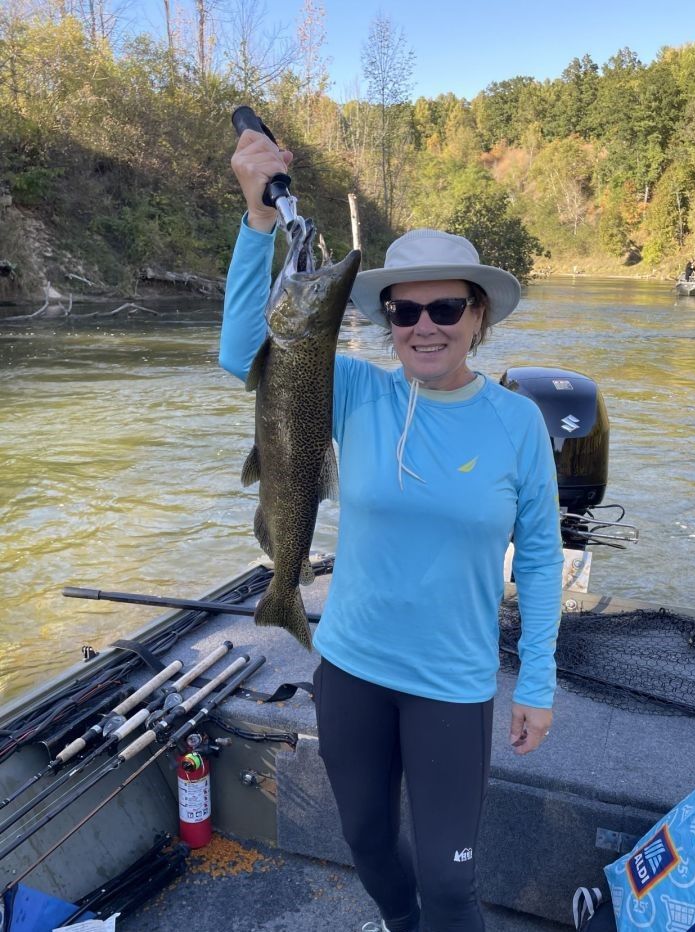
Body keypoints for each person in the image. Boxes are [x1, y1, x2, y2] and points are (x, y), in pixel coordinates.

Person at [220, 128, 564, 932]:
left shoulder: (517, 424)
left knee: (450, 888)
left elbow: (542, 559)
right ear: (385, 321)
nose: (425, 326)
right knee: (368, 845)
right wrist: (256, 222)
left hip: (452, 683)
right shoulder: (348, 389)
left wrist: (539, 685)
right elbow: (244, 354)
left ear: (478, 315)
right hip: (351, 668)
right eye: (405, 311)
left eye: (446, 307)